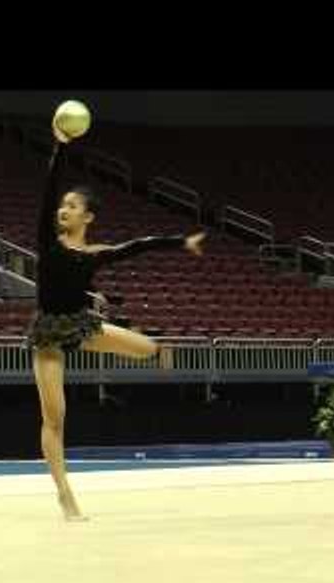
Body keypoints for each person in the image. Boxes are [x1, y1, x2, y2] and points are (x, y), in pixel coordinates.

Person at [29, 111, 206, 521]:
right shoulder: (48, 242)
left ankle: (156, 354)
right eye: (63, 205)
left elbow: (138, 245)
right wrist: (60, 146)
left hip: (80, 323)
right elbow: (47, 189)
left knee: (147, 348)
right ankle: (65, 495)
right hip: (49, 334)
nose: (63, 210)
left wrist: (182, 242)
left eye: (72, 206)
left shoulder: (96, 254)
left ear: (88, 217)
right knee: (55, 419)